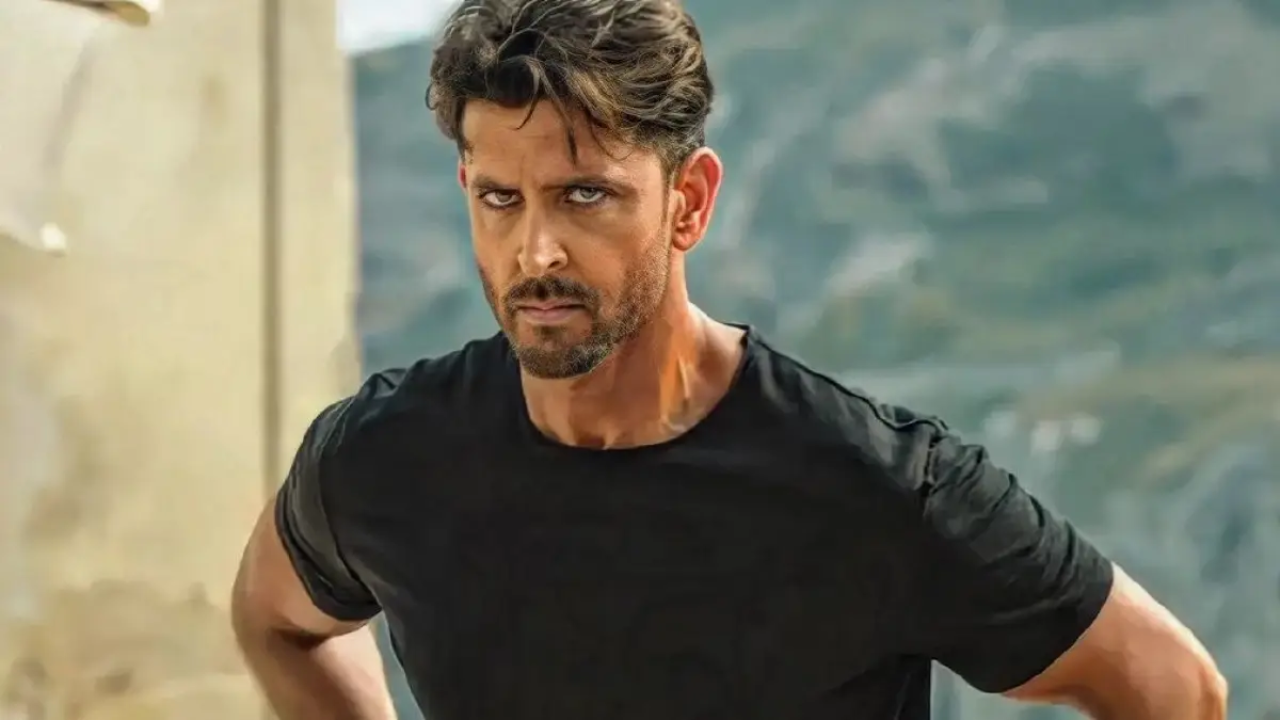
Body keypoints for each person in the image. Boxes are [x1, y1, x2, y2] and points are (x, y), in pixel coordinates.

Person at [229, 0, 1228, 717]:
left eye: (584, 195)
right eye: (501, 199)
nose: (535, 252)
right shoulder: (385, 456)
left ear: (689, 202)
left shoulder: (873, 484)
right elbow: (275, 619)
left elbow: (1172, 689)